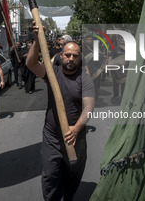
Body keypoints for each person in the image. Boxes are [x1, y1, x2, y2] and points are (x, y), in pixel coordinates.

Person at [26, 22, 95, 201]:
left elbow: (89, 108)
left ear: (79, 59)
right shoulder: (52, 73)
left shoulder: (85, 79)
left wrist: (77, 128)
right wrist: (36, 40)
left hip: (75, 137)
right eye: (68, 55)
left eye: (75, 56)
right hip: (52, 136)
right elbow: (31, 63)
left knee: (73, 174)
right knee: (50, 176)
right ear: (61, 56)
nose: (71, 58)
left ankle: (68, 196)